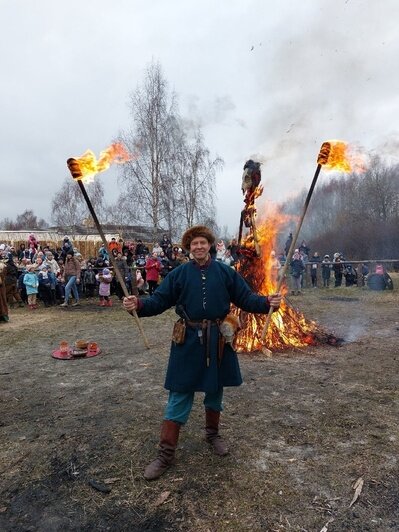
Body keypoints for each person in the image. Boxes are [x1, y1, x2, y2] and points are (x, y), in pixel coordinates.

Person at [122, 225, 282, 481]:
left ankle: (212, 434)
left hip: (218, 339)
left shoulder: (225, 272)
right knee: (180, 393)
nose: (198, 247)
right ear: (189, 248)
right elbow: (159, 301)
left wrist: (266, 303)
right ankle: (165, 454)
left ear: (210, 245)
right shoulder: (179, 274)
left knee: (215, 389)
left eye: (202, 243)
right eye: (193, 244)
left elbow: (246, 299)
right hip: (187, 341)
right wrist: (138, 304)